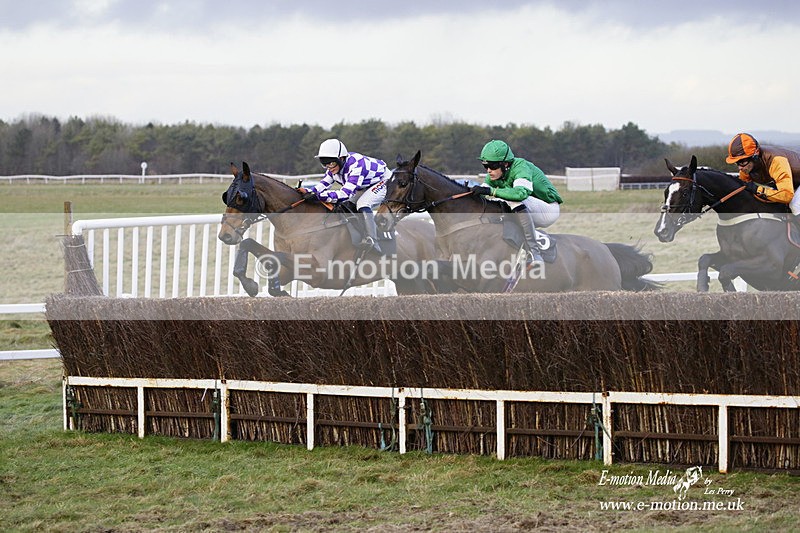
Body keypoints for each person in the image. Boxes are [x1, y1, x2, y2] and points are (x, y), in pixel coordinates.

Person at [471, 139, 562, 264]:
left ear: (506, 164)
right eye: (485, 166)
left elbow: (520, 194)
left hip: (547, 209)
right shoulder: (493, 175)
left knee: (512, 200)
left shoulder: (521, 167)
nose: (488, 170)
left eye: (492, 166)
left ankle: (534, 253)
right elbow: (483, 196)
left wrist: (491, 191)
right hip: (528, 209)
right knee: (495, 204)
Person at [302, 139, 389, 253]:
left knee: (363, 204)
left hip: (383, 181)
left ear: (341, 159)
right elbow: (323, 184)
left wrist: (320, 196)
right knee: (346, 206)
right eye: (325, 164)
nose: (329, 167)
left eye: (331, 163)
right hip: (363, 185)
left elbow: (345, 193)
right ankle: (358, 234)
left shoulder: (357, 165)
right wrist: (309, 192)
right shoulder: (333, 167)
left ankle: (373, 240)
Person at [726, 132, 800, 219]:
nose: (740, 168)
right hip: (791, 184)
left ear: (756, 154)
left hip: (793, 187)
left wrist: (759, 190)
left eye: (742, 162)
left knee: (795, 205)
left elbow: (786, 195)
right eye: (737, 163)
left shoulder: (776, 161)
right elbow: (742, 188)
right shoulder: (746, 167)